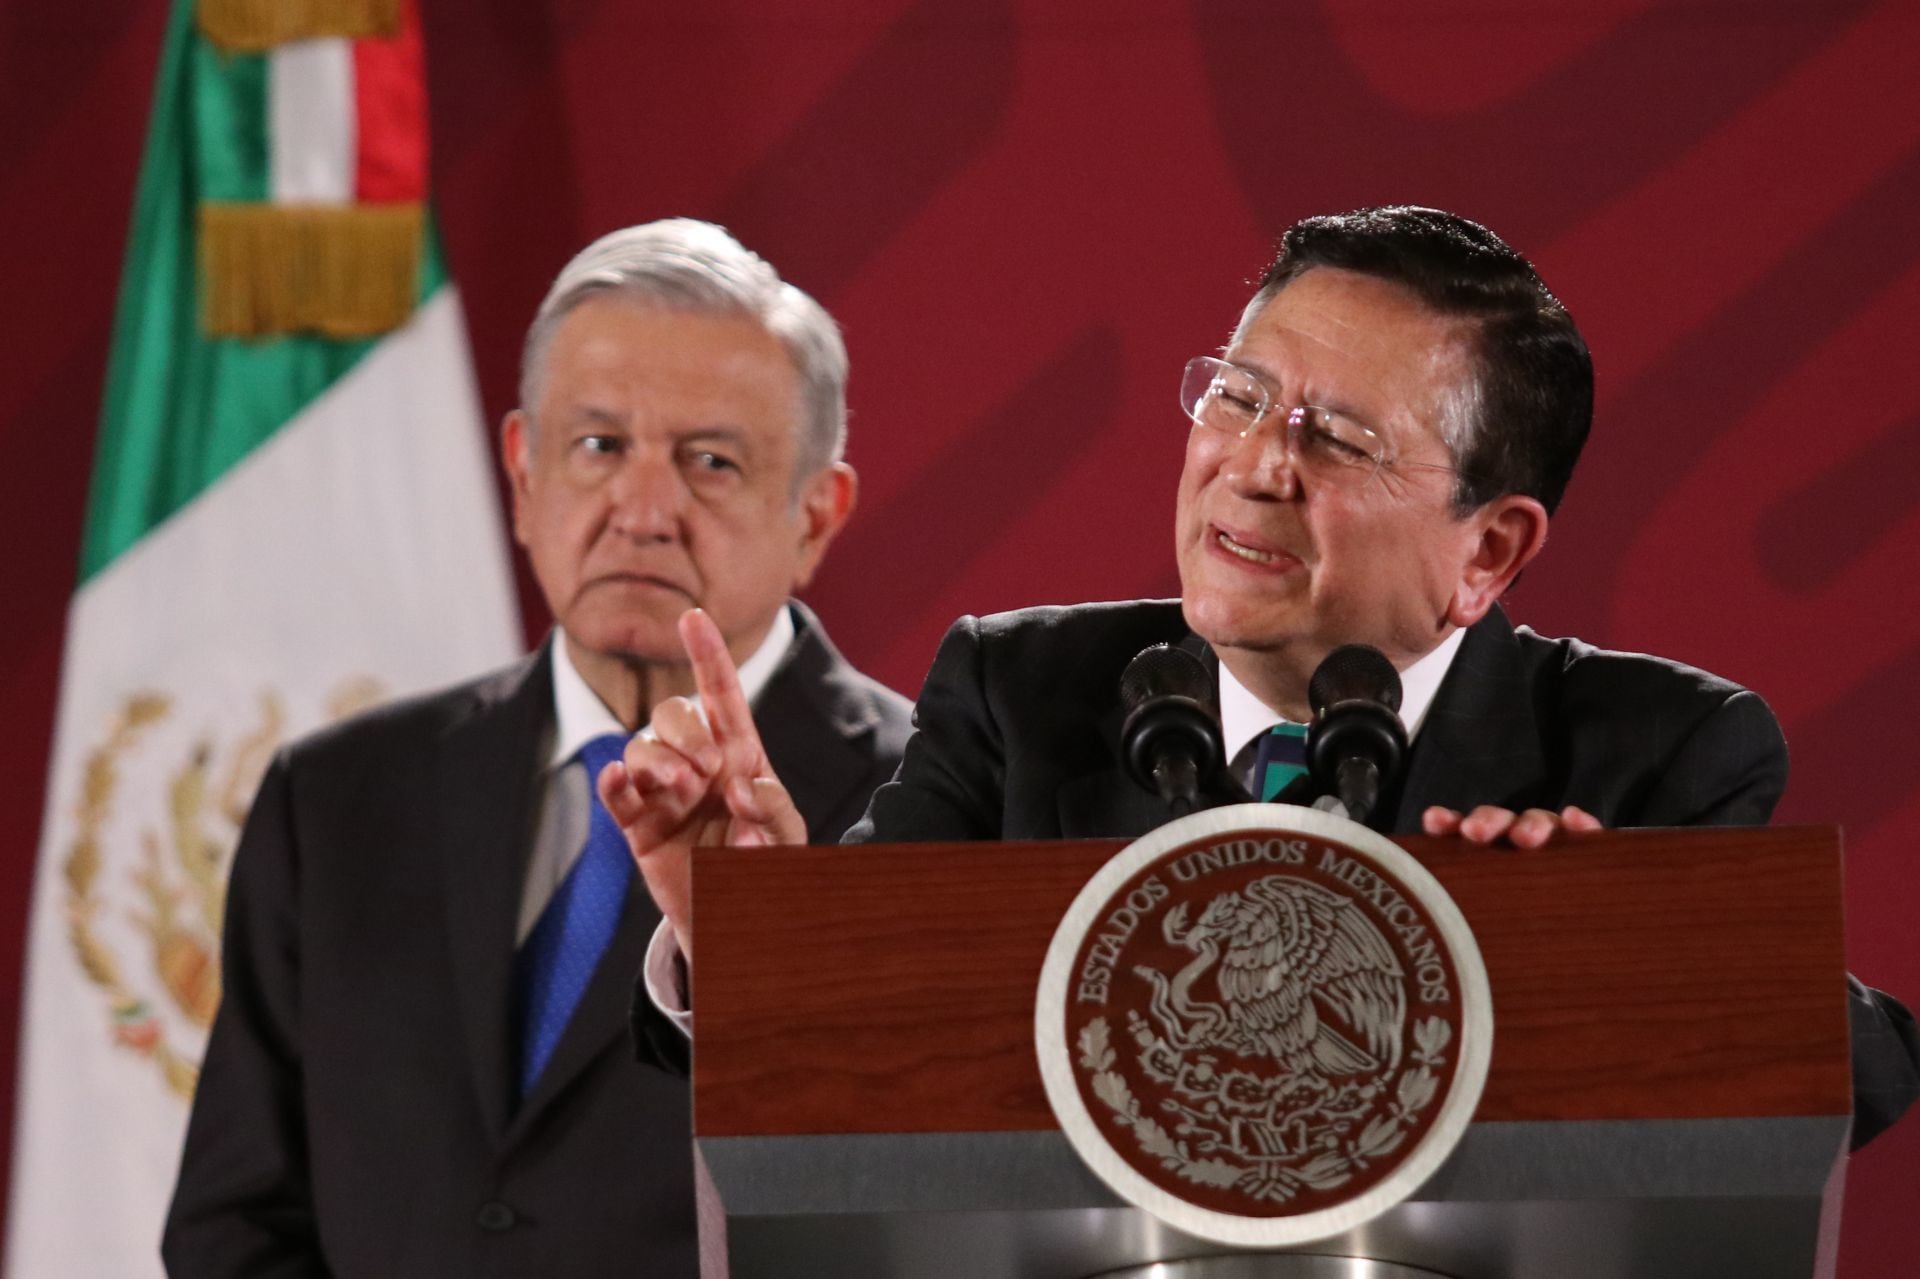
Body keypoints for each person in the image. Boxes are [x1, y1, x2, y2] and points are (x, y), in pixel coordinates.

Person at [608, 205, 1917, 1149]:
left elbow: (1867, 1068)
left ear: (1490, 548)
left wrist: (1618, 941)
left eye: (1336, 436)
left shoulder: (1654, 747)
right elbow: (849, 1048)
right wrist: (755, 942)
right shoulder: (1025, 692)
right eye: (1237, 395)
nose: (1253, 462)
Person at [162, 220, 913, 1277]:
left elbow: (917, 1225)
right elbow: (234, 1224)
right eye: (600, 446)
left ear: (816, 518)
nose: (643, 511)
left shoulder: (932, 803)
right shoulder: (334, 798)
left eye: (710, 462)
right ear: (523, 474)